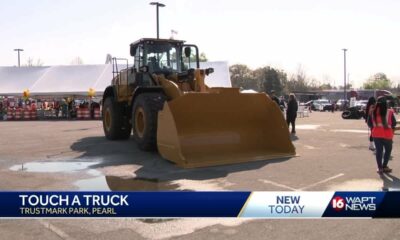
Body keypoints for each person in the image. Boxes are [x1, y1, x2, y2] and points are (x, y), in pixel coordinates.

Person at [368, 96, 397, 174]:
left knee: (379, 151)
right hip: (387, 135)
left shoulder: (373, 112)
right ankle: (384, 166)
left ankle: (380, 168)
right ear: (386, 103)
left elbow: (369, 124)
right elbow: (394, 123)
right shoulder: (390, 112)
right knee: (388, 151)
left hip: (376, 135)